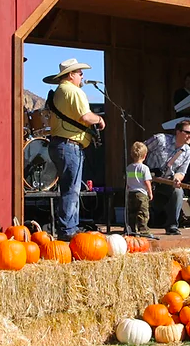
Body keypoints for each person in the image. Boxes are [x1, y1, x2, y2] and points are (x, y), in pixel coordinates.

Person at [43, 58, 106, 241]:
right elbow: (86, 117)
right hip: (70, 145)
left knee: (68, 188)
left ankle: (69, 227)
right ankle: (68, 231)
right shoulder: (74, 91)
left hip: (58, 144)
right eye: (79, 73)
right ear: (71, 75)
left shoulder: (59, 92)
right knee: (72, 189)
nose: (82, 76)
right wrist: (100, 120)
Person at [144, 120, 190, 235]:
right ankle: (137, 225)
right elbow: (139, 150)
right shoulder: (160, 139)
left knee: (178, 191)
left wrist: (177, 179)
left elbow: (181, 172)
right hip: (146, 178)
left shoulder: (188, 152)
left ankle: (172, 226)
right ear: (178, 132)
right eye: (188, 132)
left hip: (165, 181)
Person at [126, 142, 154, 238]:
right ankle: (144, 231)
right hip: (141, 193)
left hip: (131, 193)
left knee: (132, 213)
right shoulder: (144, 168)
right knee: (142, 213)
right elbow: (147, 181)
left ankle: (131, 230)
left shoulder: (129, 168)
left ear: (131, 154)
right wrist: (150, 192)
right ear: (145, 155)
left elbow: (127, 181)